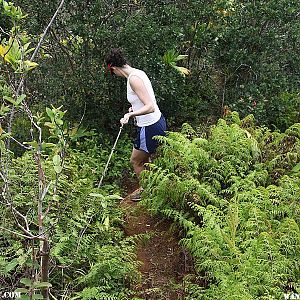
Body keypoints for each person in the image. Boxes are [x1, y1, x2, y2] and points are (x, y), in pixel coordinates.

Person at [106, 48, 166, 200]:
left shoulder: (133, 79)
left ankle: (148, 192)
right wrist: (135, 108)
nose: (115, 76)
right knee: (145, 160)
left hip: (149, 126)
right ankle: (154, 187)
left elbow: (150, 105)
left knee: (136, 160)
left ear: (114, 68)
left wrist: (130, 114)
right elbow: (145, 100)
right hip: (153, 122)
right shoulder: (138, 73)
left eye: (113, 73)